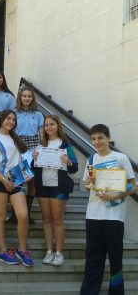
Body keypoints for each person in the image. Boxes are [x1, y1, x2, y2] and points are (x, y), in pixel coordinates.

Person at [80, 124, 137, 295]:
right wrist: (89, 183)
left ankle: (116, 292)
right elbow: (86, 187)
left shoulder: (121, 158)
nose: (97, 142)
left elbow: (133, 186)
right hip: (93, 215)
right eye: (94, 139)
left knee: (115, 259)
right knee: (92, 258)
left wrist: (117, 196)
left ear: (108, 138)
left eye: (100, 138)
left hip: (114, 217)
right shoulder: (91, 160)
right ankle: (89, 291)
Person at [0, 109, 34, 267]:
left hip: (16, 182)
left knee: (23, 215)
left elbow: (21, 162)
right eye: (8, 119)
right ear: (1, 120)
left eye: (13, 119)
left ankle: (22, 249)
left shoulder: (16, 139)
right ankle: (3, 251)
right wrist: (3, 180)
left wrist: (27, 174)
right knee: (0, 217)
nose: (11, 122)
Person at [32, 115, 78, 266]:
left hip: (59, 186)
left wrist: (69, 161)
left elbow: (75, 167)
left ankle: (59, 253)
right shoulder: (40, 145)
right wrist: (33, 159)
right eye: (46, 125)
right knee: (46, 219)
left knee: (57, 220)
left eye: (52, 124)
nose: (49, 127)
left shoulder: (66, 146)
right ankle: (49, 252)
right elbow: (33, 168)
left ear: (58, 126)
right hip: (42, 186)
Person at [8, 86, 44, 225]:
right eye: (24, 96)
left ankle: (26, 214)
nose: (27, 98)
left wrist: (40, 148)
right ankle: (14, 214)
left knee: (32, 182)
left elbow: (41, 134)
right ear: (20, 98)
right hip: (19, 145)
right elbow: (11, 130)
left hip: (34, 148)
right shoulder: (15, 113)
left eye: (29, 96)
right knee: (18, 180)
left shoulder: (38, 114)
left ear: (32, 98)